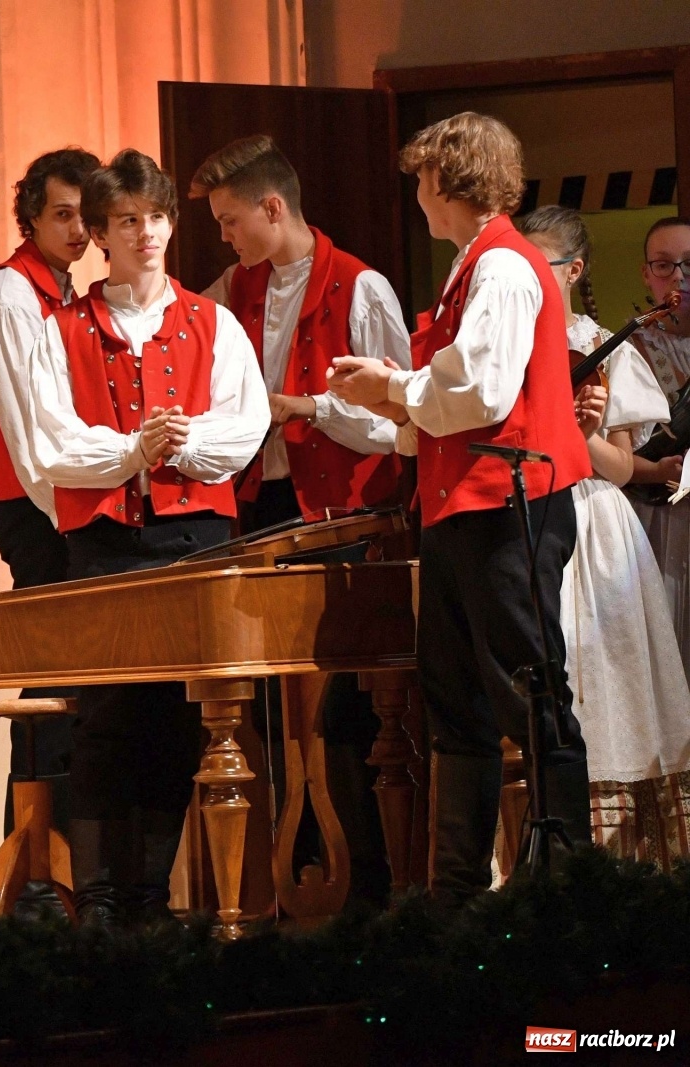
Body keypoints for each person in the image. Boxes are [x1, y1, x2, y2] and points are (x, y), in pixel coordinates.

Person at [327, 112, 593, 903]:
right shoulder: (471, 270)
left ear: (447, 182)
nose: (416, 193)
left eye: (420, 179)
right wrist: (387, 398)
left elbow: (481, 391)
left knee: (527, 689)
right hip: (460, 513)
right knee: (455, 696)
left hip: (510, 508)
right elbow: (448, 400)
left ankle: (566, 884)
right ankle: (455, 894)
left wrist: (397, 391)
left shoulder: (505, 268)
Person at [23, 148, 269, 924]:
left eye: (157, 216)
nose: (147, 232)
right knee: (102, 718)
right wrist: (131, 452)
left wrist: (180, 446)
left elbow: (247, 422)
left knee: (173, 719)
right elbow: (47, 443)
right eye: (127, 220)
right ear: (99, 232)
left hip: (192, 536)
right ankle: (98, 901)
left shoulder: (211, 321)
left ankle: (151, 898)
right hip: (103, 543)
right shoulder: (63, 329)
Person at [189, 133, 412, 906]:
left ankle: (369, 882)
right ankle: (291, 876)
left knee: (348, 700)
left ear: (272, 208)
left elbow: (399, 424)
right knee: (280, 699)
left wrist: (309, 408)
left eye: (229, 220)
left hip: (348, 508)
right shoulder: (233, 288)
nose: (224, 237)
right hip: (268, 506)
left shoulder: (362, 287)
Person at [520, 208, 690, 869]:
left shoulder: (600, 342)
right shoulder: (504, 338)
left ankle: (620, 867)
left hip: (592, 524)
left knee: (605, 677)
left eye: (541, 265)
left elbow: (620, 466)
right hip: (526, 517)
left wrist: (585, 433)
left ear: (574, 270)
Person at [0, 147, 100, 840]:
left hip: (62, 496)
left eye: (84, 215)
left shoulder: (68, 290)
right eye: (62, 215)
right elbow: (24, 428)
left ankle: (69, 848)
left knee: (71, 677)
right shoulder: (10, 294)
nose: (77, 230)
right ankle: (38, 855)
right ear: (32, 219)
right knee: (50, 676)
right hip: (35, 499)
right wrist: (70, 514)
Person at [629, 215, 690, 677]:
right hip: (663, 517)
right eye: (665, 266)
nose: (680, 278)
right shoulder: (629, 348)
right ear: (647, 275)